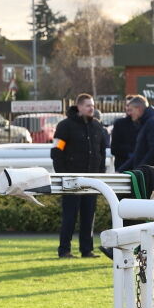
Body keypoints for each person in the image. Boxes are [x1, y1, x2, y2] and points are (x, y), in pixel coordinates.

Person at [51, 93, 109, 258]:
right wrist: (62, 174)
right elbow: (57, 151)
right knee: (70, 216)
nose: (92, 108)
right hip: (71, 179)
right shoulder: (65, 126)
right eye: (88, 105)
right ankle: (64, 250)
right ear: (79, 107)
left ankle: (87, 249)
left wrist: (101, 174)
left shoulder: (97, 127)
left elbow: (101, 152)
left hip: (92, 179)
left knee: (89, 215)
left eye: (92, 105)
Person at [118, 95, 154, 173]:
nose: (130, 113)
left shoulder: (152, 122)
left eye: (131, 110)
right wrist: (121, 170)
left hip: (153, 176)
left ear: (138, 109)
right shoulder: (147, 123)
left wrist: (139, 169)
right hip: (150, 174)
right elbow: (139, 154)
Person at [109, 101, 140, 171]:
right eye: (127, 105)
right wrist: (130, 153)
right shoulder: (119, 124)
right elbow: (114, 148)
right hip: (122, 166)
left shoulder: (143, 123)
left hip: (139, 167)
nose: (129, 108)